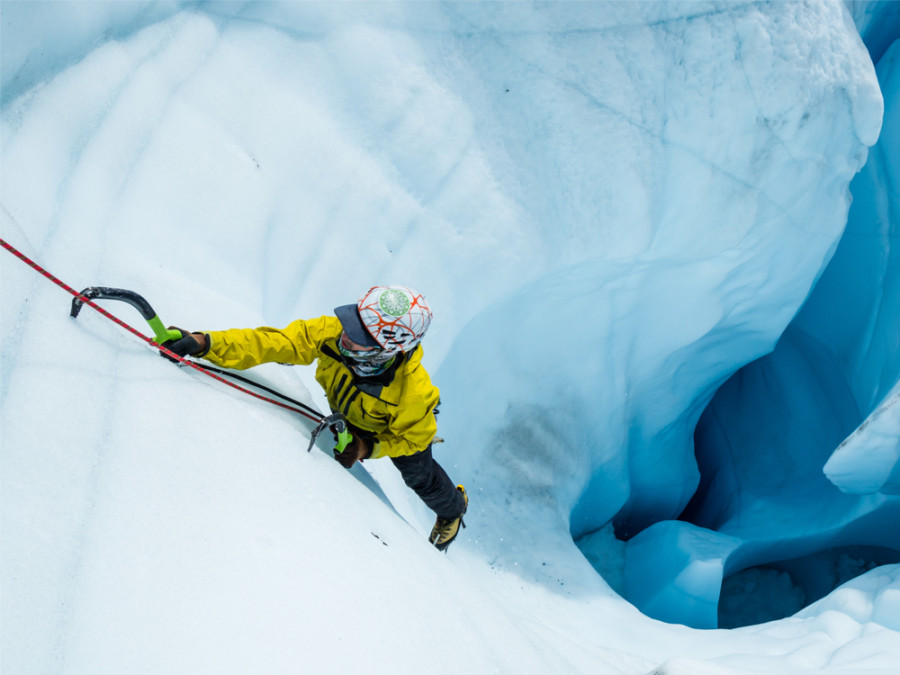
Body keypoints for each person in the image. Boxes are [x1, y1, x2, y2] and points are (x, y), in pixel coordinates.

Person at [164, 285, 468, 551]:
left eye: (359, 334)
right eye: (353, 322)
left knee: (419, 476)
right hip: (351, 416)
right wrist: (206, 343)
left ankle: (453, 509)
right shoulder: (335, 333)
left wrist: (367, 448)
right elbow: (278, 342)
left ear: (387, 349)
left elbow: (412, 438)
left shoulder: (411, 392)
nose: (346, 333)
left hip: (393, 431)